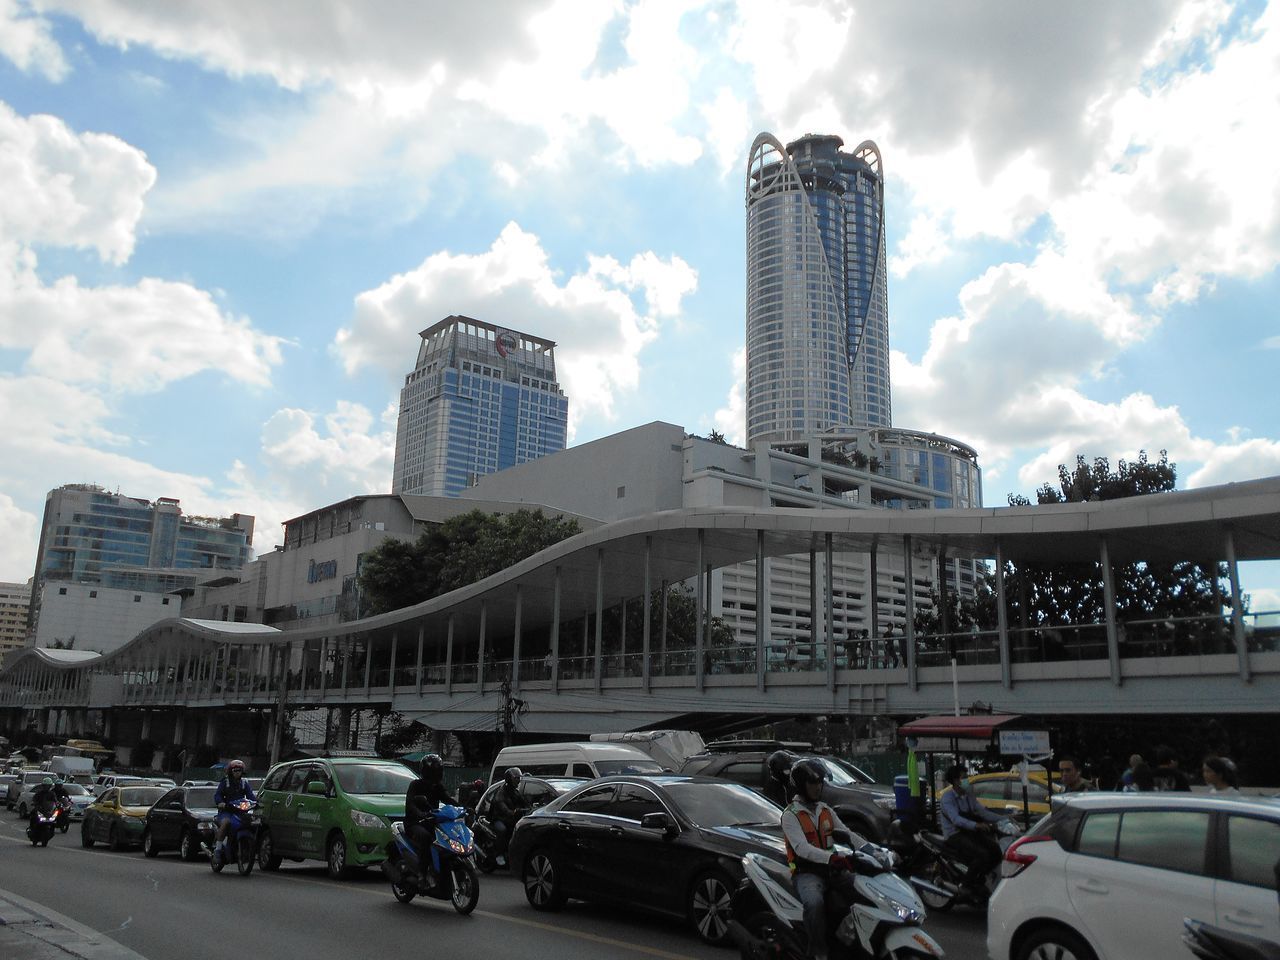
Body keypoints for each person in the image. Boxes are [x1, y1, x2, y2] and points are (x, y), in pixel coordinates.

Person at [780, 758, 864, 960]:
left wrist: (877, 851)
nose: (818, 787)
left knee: (865, 891)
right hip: (806, 873)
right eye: (812, 783)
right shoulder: (791, 815)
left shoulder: (825, 810)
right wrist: (832, 857)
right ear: (801, 785)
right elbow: (801, 848)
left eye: (820, 783)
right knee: (814, 903)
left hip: (832, 869)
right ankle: (818, 951)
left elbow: (848, 834)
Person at [939, 765, 1004, 890]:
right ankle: (965, 886)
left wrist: (1004, 818)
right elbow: (956, 819)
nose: (967, 780)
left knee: (996, 850)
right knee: (982, 854)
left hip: (969, 832)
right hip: (954, 835)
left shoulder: (969, 795)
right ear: (956, 780)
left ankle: (982, 878)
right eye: (964, 777)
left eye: (966, 777)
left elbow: (983, 812)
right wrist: (977, 825)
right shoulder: (948, 798)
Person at [404, 754, 455, 866]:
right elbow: (410, 804)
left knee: (449, 835)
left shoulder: (438, 787)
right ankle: (423, 872)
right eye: (433, 771)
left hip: (432, 822)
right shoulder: (415, 785)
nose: (436, 774)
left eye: (438, 771)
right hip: (415, 823)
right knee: (425, 837)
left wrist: (463, 808)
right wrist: (421, 814)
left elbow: (448, 799)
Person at [212, 759, 257, 856]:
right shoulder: (225, 782)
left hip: (240, 812)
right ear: (230, 771)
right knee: (226, 822)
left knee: (252, 822)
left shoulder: (244, 783)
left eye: (239, 770)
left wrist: (256, 803)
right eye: (235, 770)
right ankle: (218, 849)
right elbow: (218, 795)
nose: (237, 772)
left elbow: (251, 797)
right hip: (226, 812)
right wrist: (221, 803)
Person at [488, 766, 529, 867]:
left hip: (511, 819)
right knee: (502, 830)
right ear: (509, 779)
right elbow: (502, 806)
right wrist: (512, 812)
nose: (518, 781)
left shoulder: (515, 792)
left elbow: (524, 802)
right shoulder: (501, 792)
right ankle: (499, 854)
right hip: (499, 819)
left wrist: (531, 807)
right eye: (516, 778)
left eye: (519, 778)